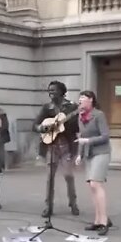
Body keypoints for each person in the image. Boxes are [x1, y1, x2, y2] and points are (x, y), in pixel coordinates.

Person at [34, 80, 80, 218]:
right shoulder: (47, 108)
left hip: (67, 145)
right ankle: (48, 206)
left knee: (68, 176)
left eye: (53, 90)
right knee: (50, 178)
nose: (50, 93)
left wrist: (65, 123)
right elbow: (35, 125)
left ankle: (73, 203)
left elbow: (77, 127)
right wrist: (43, 128)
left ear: (61, 91)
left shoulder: (72, 107)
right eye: (49, 90)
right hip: (51, 146)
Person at [75, 90, 113, 236]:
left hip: (102, 153)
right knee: (92, 187)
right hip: (89, 154)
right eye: (79, 100)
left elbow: (105, 136)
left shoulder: (99, 115)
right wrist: (79, 154)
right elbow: (81, 137)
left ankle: (104, 221)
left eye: (83, 99)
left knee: (96, 184)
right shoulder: (81, 117)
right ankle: (97, 220)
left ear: (91, 100)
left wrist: (89, 141)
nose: (80, 102)